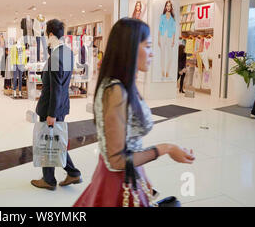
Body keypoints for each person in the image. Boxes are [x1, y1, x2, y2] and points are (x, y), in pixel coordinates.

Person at [73, 18, 195, 207]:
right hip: (117, 182)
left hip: (127, 175)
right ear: (129, 49)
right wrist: (166, 148)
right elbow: (116, 159)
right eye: (148, 46)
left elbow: (128, 144)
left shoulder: (123, 84)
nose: (152, 53)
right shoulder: (115, 91)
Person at [31, 19, 82, 191]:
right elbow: (62, 85)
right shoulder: (67, 53)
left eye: (47, 35)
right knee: (54, 140)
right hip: (62, 105)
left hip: (51, 107)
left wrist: (51, 114)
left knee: (49, 141)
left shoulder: (55, 57)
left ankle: (52, 179)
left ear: (51, 34)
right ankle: (61, 175)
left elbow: (55, 88)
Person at [158, 0, 176, 79]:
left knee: (170, 56)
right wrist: (158, 39)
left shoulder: (172, 18)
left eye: (170, 6)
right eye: (167, 6)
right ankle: (162, 72)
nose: (168, 7)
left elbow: (174, 30)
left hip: (169, 37)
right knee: (162, 55)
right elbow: (159, 28)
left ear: (171, 7)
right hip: (162, 36)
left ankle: (167, 72)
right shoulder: (162, 16)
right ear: (165, 7)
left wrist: (173, 40)